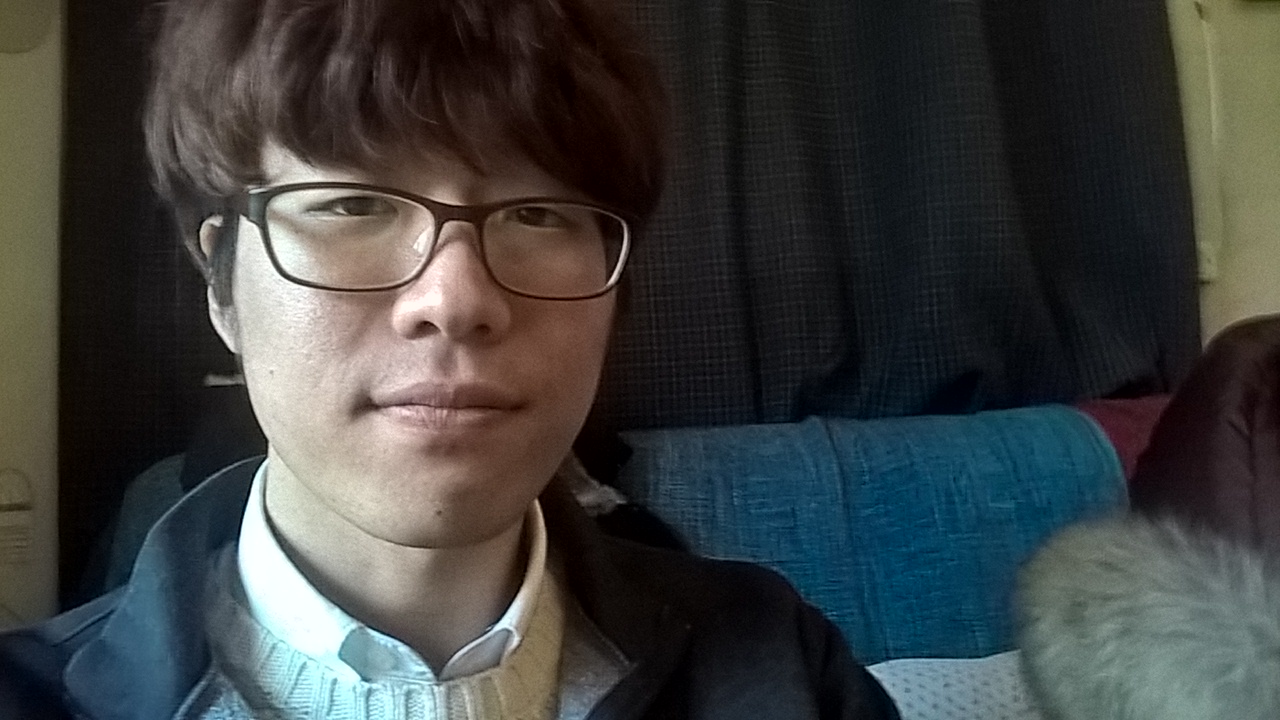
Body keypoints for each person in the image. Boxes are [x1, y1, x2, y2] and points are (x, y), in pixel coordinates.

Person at [0, 1, 899, 718]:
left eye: (538, 214)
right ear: (223, 288)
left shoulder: (784, 670)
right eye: (352, 204)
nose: (456, 299)